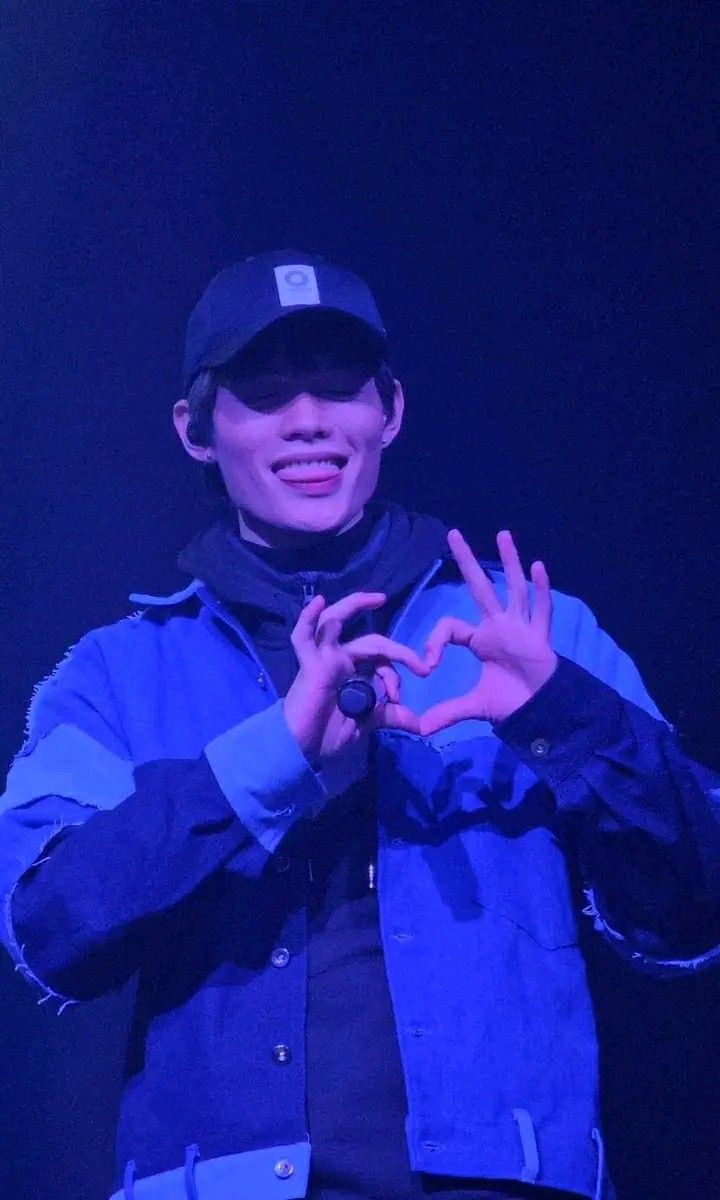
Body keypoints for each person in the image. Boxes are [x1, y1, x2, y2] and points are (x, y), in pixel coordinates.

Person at [1, 250, 719, 1200]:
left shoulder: (536, 635)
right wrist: (268, 760)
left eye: (339, 385)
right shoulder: (114, 673)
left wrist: (567, 719)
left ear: (391, 410)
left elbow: (693, 913)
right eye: (262, 389)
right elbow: (50, 931)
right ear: (196, 430)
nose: (308, 421)